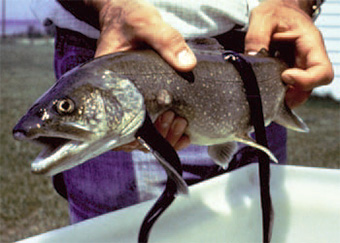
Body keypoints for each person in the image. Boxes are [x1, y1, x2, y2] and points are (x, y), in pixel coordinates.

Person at [31, 0, 333, 223]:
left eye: (66, 109)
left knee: (261, 227)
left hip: (264, 55)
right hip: (117, 46)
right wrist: (111, 6)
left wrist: (295, 4)